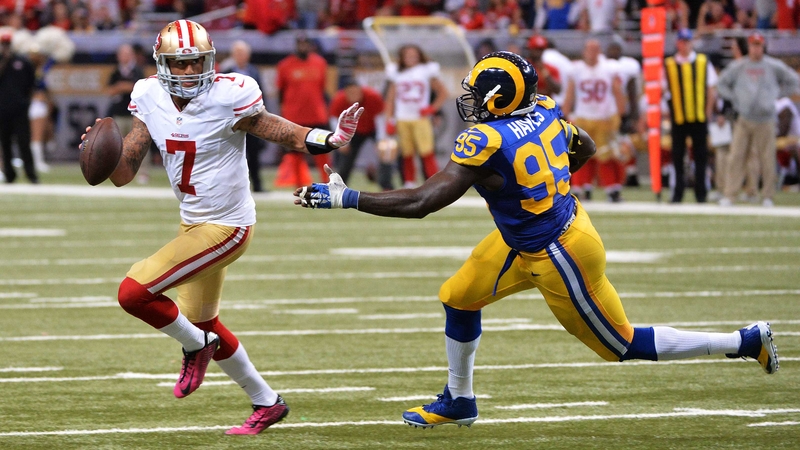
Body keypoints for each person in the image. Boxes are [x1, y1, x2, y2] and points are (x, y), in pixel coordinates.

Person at [294, 51, 779, 428]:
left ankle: (743, 340)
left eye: (476, 92)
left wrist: (348, 198)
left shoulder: (485, 140)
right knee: (458, 297)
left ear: (498, 97)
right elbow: (584, 145)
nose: (469, 99)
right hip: (530, 232)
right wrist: (546, 188)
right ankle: (460, 400)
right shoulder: (544, 110)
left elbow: (425, 200)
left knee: (621, 345)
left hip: (558, 250)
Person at [80, 20, 363, 435]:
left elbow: (278, 130)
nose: (192, 71)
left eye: (198, 62)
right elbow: (124, 172)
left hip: (227, 226)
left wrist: (330, 138)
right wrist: (98, 155)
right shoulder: (148, 95)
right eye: (181, 64)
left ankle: (196, 346)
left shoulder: (231, 94)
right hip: (193, 221)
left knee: (134, 293)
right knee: (203, 322)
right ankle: (267, 402)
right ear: (163, 66)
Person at [717, 32, 800, 207]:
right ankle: (730, 194)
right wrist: (735, 98)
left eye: (759, 45)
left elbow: (793, 80)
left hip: (766, 119)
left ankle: (768, 195)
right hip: (745, 118)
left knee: (767, 158)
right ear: (749, 47)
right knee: (736, 156)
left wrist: (777, 96)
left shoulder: (772, 66)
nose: (756, 49)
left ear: (763, 47)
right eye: (753, 45)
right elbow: (722, 83)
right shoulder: (739, 66)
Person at [562, 39, 626, 202]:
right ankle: (581, 187)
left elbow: (617, 91)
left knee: (606, 155)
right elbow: (570, 94)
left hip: (604, 118)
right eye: (589, 49)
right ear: (584, 51)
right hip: (583, 118)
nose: (592, 53)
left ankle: (611, 189)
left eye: (595, 49)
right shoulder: (576, 70)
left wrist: (621, 114)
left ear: (600, 51)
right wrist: (563, 115)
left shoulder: (609, 68)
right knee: (579, 155)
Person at [663, 29, 717, 203]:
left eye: (687, 41)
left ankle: (701, 193)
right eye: (682, 41)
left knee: (700, 156)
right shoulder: (669, 64)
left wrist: (708, 111)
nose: (684, 45)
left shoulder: (702, 61)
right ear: (677, 43)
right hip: (678, 117)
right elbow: (663, 90)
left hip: (699, 116)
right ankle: (677, 193)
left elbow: (711, 89)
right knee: (677, 157)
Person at [384, 44, 449, 188]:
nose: (411, 58)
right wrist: (389, 120)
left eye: (414, 55)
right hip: (402, 117)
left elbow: (443, 92)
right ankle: (409, 183)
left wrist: (431, 109)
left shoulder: (426, 70)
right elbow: (390, 98)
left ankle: (434, 183)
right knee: (407, 153)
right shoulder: (396, 72)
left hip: (421, 119)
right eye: (407, 55)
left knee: (427, 152)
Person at [275, 33, 331, 188]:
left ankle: (328, 183)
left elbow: (322, 89)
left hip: (317, 115)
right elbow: (281, 92)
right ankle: (298, 185)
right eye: (300, 44)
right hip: (294, 117)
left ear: (310, 46)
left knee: (322, 151)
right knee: (295, 154)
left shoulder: (320, 63)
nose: (303, 47)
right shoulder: (285, 65)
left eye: (305, 44)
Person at [329, 76, 393, 190]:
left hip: (373, 127)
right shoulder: (339, 100)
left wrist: (381, 139)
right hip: (353, 131)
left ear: (360, 89)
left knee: (385, 152)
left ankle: (386, 185)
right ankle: (339, 186)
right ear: (346, 92)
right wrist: (341, 140)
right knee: (346, 156)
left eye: (356, 91)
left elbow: (380, 118)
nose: (353, 94)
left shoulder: (372, 96)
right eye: (350, 92)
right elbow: (335, 120)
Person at [222, 40, 266, 192]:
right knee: (230, 155)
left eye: (243, 53)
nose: (240, 56)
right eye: (238, 53)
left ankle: (257, 185)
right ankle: (230, 187)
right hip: (231, 120)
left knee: (254, 154)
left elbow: (261, 94)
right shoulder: (226, 71)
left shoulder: (254, 71)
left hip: (252, 118)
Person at [0, 32, 37, 184]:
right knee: (5, 143)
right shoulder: (2, 61)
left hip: (20, 110)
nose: (6, 47)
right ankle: (9, 175)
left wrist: (25, 102)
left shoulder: (22, 61)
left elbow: (31, 83)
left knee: (24, 143)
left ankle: (31, 175)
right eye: (4, 44)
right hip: (2, 109)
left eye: (8, 44)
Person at [106, 44, 146, 182]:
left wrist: (123, 87)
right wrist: (122, 87)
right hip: (119, 113)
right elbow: (110, 91)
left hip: (135, 115)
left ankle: (143, 174)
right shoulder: (115, 72)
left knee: (139, 144)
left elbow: (140, 88)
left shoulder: (137, 71)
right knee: (116, 146)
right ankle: (115, 173)